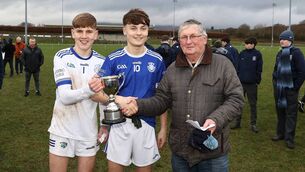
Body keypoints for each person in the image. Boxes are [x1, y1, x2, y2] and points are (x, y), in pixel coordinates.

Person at [114, 19, 244, 171]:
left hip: (212, 153)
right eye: (184, 37)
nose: (188, 41)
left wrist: (215, 119)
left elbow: (236, 99)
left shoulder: (223, 65)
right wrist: (138, 105)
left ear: (204, 39)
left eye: (193, 36)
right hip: (181, 153)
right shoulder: (173, 69)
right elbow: (161, 100)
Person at [94, 8, 167, 172]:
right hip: (118, 125)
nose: (138, 33)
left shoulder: (157, 60)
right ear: (124, 30)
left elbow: (162, 97)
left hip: (146, 125)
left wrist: (163, 128)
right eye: (133, 28)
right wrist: (118, 100)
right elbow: (95, 94)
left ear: (148, 31)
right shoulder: (113, 59)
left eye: (143, 28)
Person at [47, 12, 107, 172]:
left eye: (89, 31)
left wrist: (104, 124)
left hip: (88, 132)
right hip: (62, 129)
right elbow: (65, 97)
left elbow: (103, 98)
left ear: (96, 34)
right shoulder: (62, 57)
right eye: (79, 31)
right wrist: (90, 89)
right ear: (73, 33)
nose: (84, 36)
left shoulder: (102, 62)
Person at [271, 30, 305, 149]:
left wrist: (295, 87)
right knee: (280, 111)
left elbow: (302, 72)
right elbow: (275, 69)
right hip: (279, 88)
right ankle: (280, 133)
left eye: (284, 39)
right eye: (280, 39)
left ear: (290, 40)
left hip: (291, 89)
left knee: (291, 114)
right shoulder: (280, 53)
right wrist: (275, 82)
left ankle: (289, 138)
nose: (281, 41)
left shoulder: (296, 53)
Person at [236, 37, 263, 133]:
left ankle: (253, 124)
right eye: (246, 43)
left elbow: (259, 69)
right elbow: (237, 67)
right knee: (239, 103)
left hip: (252, 84)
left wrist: (256, 81)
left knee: (253, 104)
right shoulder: (242, 54)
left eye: (249, 43)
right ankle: (237, 122)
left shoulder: (257, 54)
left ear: (253, 44)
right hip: (241, 83)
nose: (247, 45)